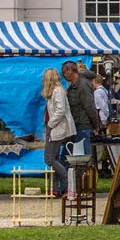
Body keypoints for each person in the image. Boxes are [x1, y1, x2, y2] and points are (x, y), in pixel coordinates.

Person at [41, 67, 73, 196]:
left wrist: (50, 124)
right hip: (53, 128)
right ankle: (55, 188)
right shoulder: (53, 92)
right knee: (54, 158)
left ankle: (69, 183)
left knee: (49, 159)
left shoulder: (58, 91)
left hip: (56, 128)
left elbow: (60, 110)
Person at [63, 60, 98, 159]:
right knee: (75, 156)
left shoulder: (82, 85)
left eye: (64, 71)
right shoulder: (76, 85)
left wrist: (96, 125)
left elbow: (90, 106)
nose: (63, 75)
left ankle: (81, 174)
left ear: (70, 71)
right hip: (77, 124)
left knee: (81, 158)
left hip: (82, 125)